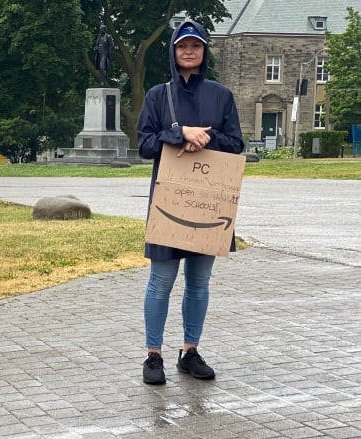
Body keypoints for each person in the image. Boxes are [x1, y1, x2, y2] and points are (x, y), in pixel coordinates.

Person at [136, 21, 243, 385]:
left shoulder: (221, 95)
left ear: (204, 51)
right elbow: (145, 144)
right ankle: (153, 355)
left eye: (196, 46)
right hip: (170, 201)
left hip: (209, 203)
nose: (189, 51)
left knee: (199, 283)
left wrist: (205, 141)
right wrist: (179, 133)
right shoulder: (157, 95)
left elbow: (236, 144)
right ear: (173, 51)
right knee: (160, 281)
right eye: (183, 45)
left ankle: (190, 351)